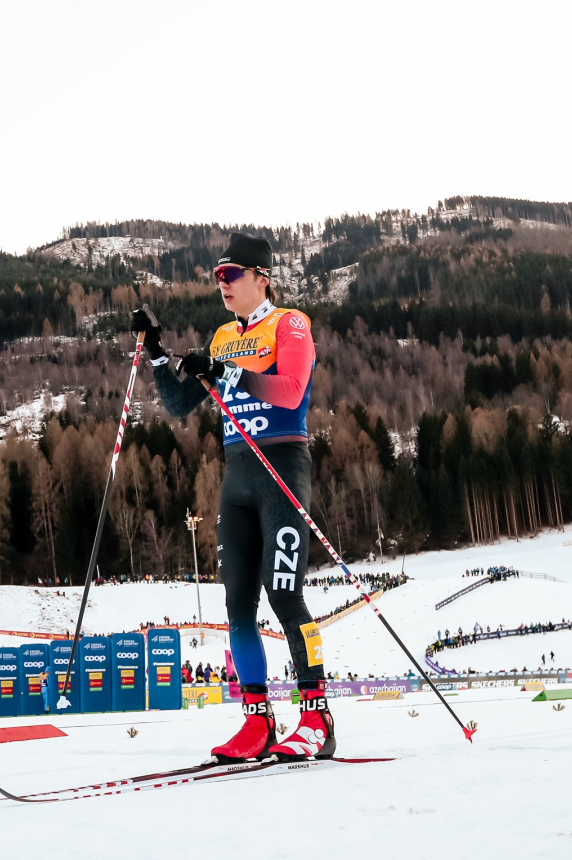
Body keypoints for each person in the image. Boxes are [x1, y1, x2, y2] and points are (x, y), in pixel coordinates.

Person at [133, 233, 333, 763]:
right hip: (238, 475)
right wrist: (156, 350)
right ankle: (258, 721)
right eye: (217, 275)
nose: (221, 283)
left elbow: (290, 390)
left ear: (261, 277)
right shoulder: (222, 336)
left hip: (281, 467)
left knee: (284, 594)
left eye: (232, 274)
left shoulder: (289, 323)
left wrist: (228, 373)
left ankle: (317, 718)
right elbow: (179, 405)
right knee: (237, 603)